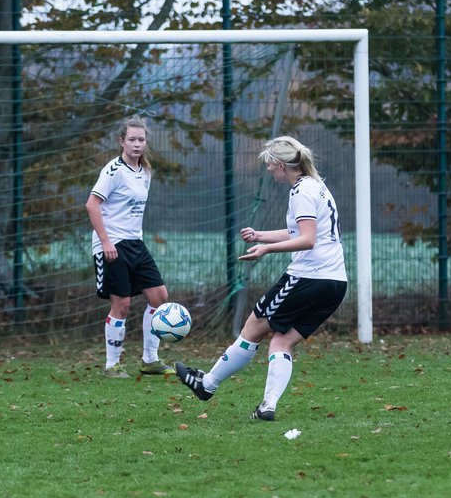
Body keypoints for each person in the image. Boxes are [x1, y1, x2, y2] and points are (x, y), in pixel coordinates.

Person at [175, 136, 347, 421]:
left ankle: (207, 385)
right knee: (281, 342)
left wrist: (266, 249)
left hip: (309, 277)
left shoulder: (301, 192)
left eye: (269, 164)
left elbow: (307, 240)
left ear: (280, 165)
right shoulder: (316, 186)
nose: (268, 169)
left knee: (253, 326)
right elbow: (300, 232)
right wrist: (261, 235)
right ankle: (267, 407)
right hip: (335, 283)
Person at [86, 116, 174, 378]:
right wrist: (105, 242)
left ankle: (150, 360)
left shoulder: (145, 172)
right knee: (121, 303)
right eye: (132, 139)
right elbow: (92, 204)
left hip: (136, 243)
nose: (137, 144)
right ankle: (112, 365)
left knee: (159, 297)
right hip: (113, 244)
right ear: (121, 141)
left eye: (141, 140)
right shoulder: (113, 171)